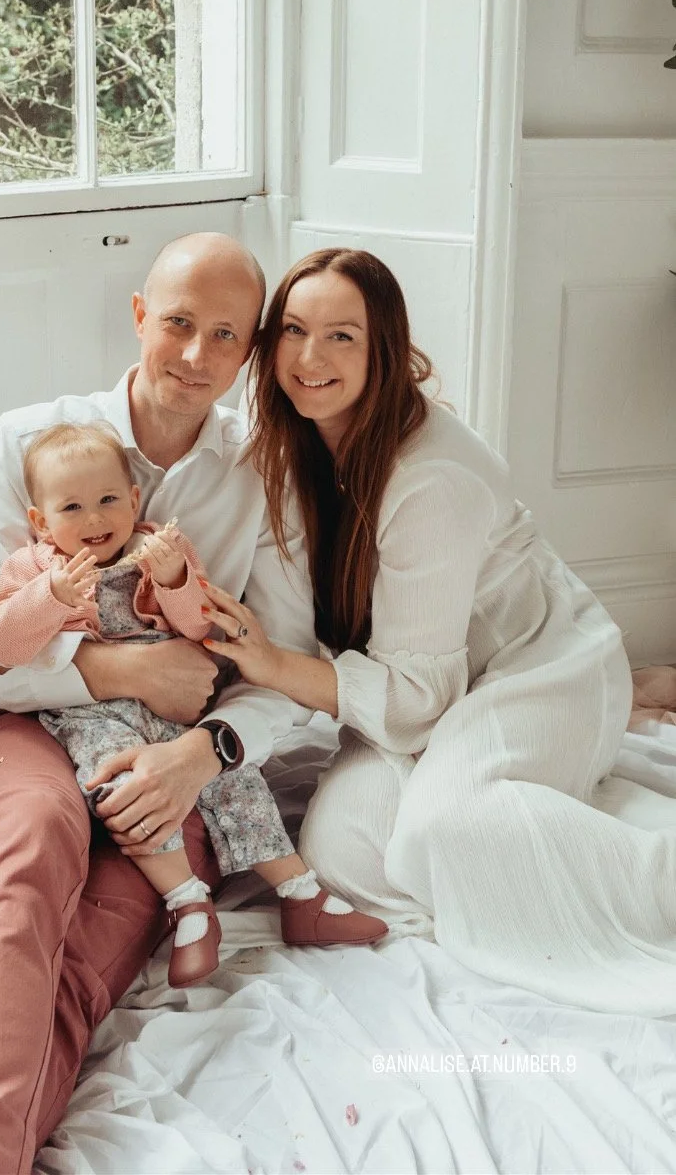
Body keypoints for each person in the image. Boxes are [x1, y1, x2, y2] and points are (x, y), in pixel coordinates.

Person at [0, 232, 365, 1175]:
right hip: (27, 722)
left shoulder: (264, 474)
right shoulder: (31, 440)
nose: (195, 355)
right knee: (26, 853)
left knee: (97, 938)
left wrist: (201, 755)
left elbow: (290, 662)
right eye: (178, 322)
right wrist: (117, 673)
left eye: (226, 335)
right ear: (140, 317)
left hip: (177, 749)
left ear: (250, 351)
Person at [200, 246, 676, 1018]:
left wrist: (274, 665)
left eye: (342, 336)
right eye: (293, 330)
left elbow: (400, 693)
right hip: (411, 682)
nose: (310, 357)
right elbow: (284, 640)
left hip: (535, 669)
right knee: (340, 851)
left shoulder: (432, 476)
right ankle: (536, 818)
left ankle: (643, 869)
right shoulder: (285, 452)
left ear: (383, 349)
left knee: (445, 825)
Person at [0, 418, 386, 990]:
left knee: (230, 776)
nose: (94, 519)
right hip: (94, 712)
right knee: (120, 788)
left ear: (134, 499)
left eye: (106, 500)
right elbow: (0, 644)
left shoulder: (156, 548)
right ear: (41, 522)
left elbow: (201, 625)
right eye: (71, 509)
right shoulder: (36, 569)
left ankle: (300, 893)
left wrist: (174, 577)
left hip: (176, 704)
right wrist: (48, 601)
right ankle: (188, 903)